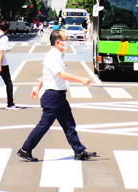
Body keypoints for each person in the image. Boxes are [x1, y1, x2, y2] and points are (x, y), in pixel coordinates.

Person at [17, 29, 96, 162]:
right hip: (53, 96)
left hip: (59, 96)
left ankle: (79, 151)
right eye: (65, 40)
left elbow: (47, 74)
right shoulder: (52, 56)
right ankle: (25, 149)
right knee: (44, 125)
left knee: (69, 124)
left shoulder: (58, 56)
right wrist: (81, 79)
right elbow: (61, 74)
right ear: (58, 42)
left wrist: (37, 87)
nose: (67, 42)